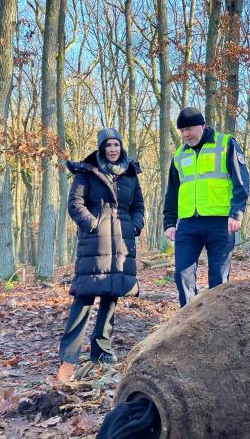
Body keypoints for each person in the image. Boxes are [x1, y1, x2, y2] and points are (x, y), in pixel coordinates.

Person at [57, 127, 145, 380]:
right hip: (95, 242)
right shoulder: (87, 173)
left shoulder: (130, 173)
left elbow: (138, 205)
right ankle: (69, 356)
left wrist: (135, 224)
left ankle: (102, 350)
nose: (113, 150)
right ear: (101, 148)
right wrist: (92, 223)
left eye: (117, 145)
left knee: (111, 296)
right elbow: (75, 204)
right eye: (109, 145)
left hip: (121, 241)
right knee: (84, 296)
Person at [163, 107, 250, 307]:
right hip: (187, 224)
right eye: (182, 130)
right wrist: (169, 221)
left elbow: (241, 181)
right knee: (182, 275)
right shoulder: (179, 155)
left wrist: (237, 212)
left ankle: (217, 323)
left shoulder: (226, 144)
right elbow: (172, 192)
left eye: (190, 129)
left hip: (220, 222)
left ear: (203, 126)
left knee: (218, 278)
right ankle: (188, 322)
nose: (186, 134)